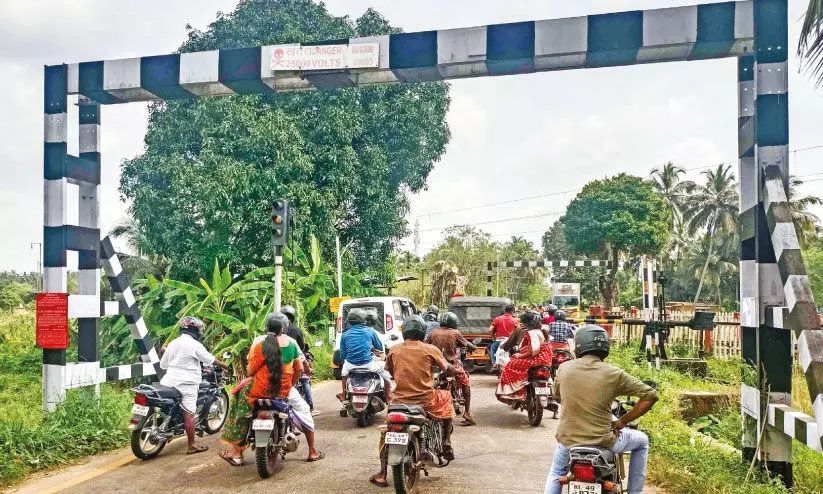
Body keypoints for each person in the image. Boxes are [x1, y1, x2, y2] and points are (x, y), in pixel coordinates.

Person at [544, 326, 658, 494]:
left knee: (556, 474)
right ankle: (635, 492)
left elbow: (557, 396)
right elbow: (650, 395)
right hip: (605, 440)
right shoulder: (614, 373)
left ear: (579, 345)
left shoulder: (564, 368)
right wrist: (622, 421)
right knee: (642, 441)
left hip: (568, 440)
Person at [220, 313, 323, 466]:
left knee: (240, 409)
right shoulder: (292, 343)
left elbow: (250, 372)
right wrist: (290, 385)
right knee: (305, 411)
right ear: (283, 329)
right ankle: (313, 451)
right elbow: (299, 369)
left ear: (266, 328)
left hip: (259, 390)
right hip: (283, 391)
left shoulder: (258, 343)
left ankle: (236, 453)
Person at [369, 315, 457, 488]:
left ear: (405, 332)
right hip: (425, 400)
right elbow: (448, 368)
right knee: (447, 398)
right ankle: (446, 441)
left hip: (399, 402)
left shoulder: (394, 349)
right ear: (422, 331)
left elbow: (390, 371)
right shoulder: (430, 349)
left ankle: (382, 473)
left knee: (386, 433)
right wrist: (454, 371)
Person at [159, 316, 230, 455]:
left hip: (169, 381)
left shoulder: (173, 343)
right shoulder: (195, 345)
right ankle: (191, 445)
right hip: (187, 383)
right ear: (195, 331)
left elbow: (163, 364)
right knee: (189, 414)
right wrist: (222, 364)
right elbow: (209, 359)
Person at [425, 311, 477, 426]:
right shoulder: (455, 333)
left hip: (435, 366)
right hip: (452, 366)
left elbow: (425, 345)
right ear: (454, 322)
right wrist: (473, 347)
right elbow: (467, 344)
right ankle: (467, 413)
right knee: (466, 382)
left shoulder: (433, 333)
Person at [339, 308, 393, 411]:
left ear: (350, 321)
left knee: (343, 374)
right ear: (363, 319)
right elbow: (379, 348)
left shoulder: (345, 335)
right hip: (368, 365)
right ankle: (388, 395)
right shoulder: (370, 331)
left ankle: (343, 394)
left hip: (350, 365)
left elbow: (342, 355)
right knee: (385, 372)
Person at [495, 311, 552, 404]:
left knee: (510, 365)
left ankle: (515, 392)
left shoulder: (529, 332)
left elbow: (534, 350)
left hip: (536, 358)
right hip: (545, 359)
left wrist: (520, 355)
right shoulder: (543, 329)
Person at [280, 305, 318, 415]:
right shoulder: (295, 333)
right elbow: (301, 347)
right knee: (305, 379)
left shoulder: (262, 342)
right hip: (292, 365)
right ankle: (310, 407)